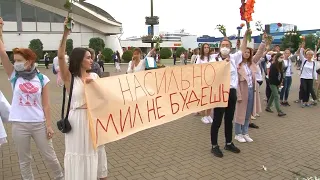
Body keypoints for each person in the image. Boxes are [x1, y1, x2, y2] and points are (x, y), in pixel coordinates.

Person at [0, 17, 64, 179]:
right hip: (19, 125)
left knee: (50, 156)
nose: (16, 64)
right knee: (24, 160)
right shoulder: (14, 76)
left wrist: (49, 126)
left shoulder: (42, 79)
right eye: (14, 61)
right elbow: (1, 52)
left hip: (39, 124)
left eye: (19, 61)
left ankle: (60, 177)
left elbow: (47, 106)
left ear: (29, 62)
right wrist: (0, 29)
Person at [58, 17, 108, 180]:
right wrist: (66, 34)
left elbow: (106, 97)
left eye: (91, 57)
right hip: (77, 120)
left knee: (95, 152)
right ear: (79, 60)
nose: (91, 59)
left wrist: (95, 85)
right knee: (78, 153)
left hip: (93, 119)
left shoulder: (94, 75)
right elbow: (60, 57)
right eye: (88, 57)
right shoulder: (70, 79)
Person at [209, 29, 249, 158]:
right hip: (220, 92)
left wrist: (245, 36)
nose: (225, 47)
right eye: (223, 45)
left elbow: (242, 50)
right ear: (219, 47)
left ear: (230, 48)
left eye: (227, 45)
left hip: (231, 91)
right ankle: (214, 145)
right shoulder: (213, 59)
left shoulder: (233, 58)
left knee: (229, 119)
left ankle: (228, 142)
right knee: (217, 120)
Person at [234, 34, 267, 143]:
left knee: (248, 113)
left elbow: (259, 53)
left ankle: (245, 132)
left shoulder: (251, 64)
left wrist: (263, 42)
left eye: (249, 52)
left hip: (251, 91)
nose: (247, 54)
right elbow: (236, 82)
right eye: (245, 52)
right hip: (242, 92)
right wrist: (238, 95)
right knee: (240, 113)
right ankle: (238, 133)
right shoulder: (237, 65)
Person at [196, 43, 213, 124]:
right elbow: (196, 68)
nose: (206, 49)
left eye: (207, 47)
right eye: (205, 47)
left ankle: (208, 114)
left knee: (210, 99)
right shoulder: (199, 58)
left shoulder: (212, 57)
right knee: (203, 99)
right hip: (203, 81)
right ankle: (203, 116)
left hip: (211, 81)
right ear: (202, 49)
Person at [299, 42, 318, 107]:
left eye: (311, 55)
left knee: (309, 90)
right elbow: (301, 54)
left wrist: (315, 79)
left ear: (312, 56)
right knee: (304, 89)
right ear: (306, 55)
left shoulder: (313, 63)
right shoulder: (304, 60)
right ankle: (303, 101)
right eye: (308, 55)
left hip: (310, 78)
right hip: (303, 77)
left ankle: (306, 102)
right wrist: (302, 47)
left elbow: (314, 71)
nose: (309, 56)